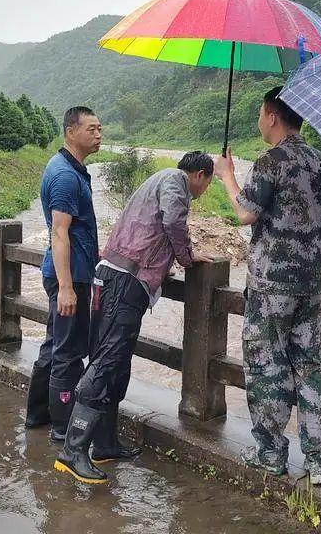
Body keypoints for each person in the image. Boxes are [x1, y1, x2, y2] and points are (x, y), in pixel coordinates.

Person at [54, 151, 214, 484]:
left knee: (113, 362)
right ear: (200, 174)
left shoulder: (156, 180)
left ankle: (105, 443)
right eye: (208, 183)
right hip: (125, 282)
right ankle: (73, 449)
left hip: (113, 277)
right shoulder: (176, 181)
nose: (203, 190)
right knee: (107, 361)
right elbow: (172, 222)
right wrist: (186, 257)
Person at [213, 87, 321, 486]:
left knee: (267, 365)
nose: (258, 120)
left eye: (260, 113)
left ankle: (271, 453)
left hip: (272, 286)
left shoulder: (271, 162)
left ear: (272, 116)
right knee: (311, 365)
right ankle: (319, 460)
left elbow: (246, 214)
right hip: (312, 285)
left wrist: (227, 177)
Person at [25, 106, 102, 442]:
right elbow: (60, 233)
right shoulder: (66, 176)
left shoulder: (71, 168)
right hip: (68, 276)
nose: (98, 134)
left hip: (69, 272)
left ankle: (37, 415)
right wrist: (68, 288)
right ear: (71, 131)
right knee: (68, 354)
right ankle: (61, 430)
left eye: (100, 129)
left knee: (55, 345)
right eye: (91, 129)